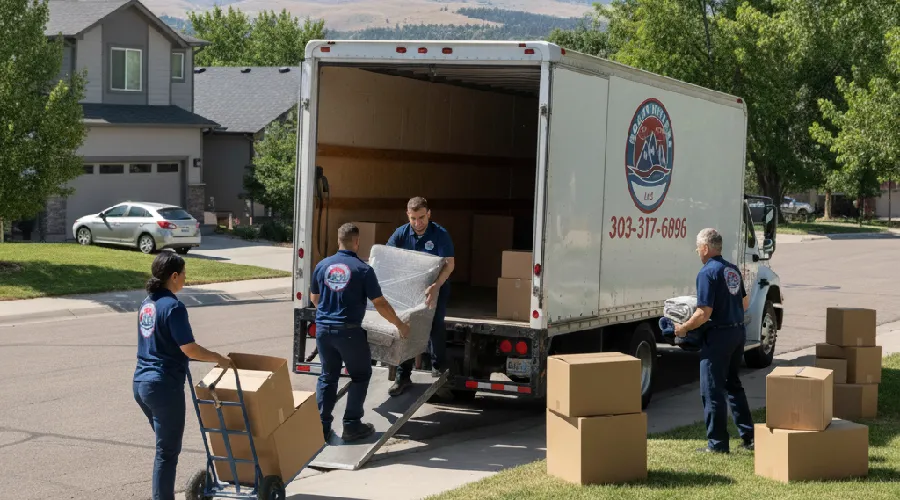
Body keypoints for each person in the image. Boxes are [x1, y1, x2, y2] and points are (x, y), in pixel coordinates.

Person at [133, 252, 231, 500]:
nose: (185, 278)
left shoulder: (147, 304)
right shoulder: (173, 306)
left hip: (141, 383)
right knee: (167, 451)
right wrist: (218, 358)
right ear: (174, 276)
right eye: (184, 274)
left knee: (164, 445)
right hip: (163, 385)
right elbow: (189, 348)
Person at [311, 223, 410, 442]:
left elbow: (315, 299)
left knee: (328, 377)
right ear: (357, 242)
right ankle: (352, 425)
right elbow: (381, 304)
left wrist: (330, 314)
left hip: (324, 331)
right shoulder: (362, 269)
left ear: (338, 241)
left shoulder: (322, 266)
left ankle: (321, 428)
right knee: (360, 375)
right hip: (348, 332)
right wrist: (400, 325)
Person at [675, 228, 755, 454]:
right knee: (733, 385)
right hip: (737, 332)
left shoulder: (706, 272)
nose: (697, 251)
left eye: (697, 247)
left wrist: (683, 328)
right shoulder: (732, 270)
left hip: (718, 336)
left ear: (705, 248)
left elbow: (704, 313)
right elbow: (745, 302)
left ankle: (718, 444)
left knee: (712, 390)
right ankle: (749, 437)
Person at [385, 197, 456, 397]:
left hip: (436, 287)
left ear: (429, 214)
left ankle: (439, 368)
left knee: (434, 325)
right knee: (407, 328)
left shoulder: (440, 234)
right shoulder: (400, 234)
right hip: (409, 290)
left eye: (422, 217)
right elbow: (386, 258)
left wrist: (436, 286)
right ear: (408, 215)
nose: (418, 223)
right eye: (413, 218)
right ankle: (403, 375)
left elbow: (450, 264)